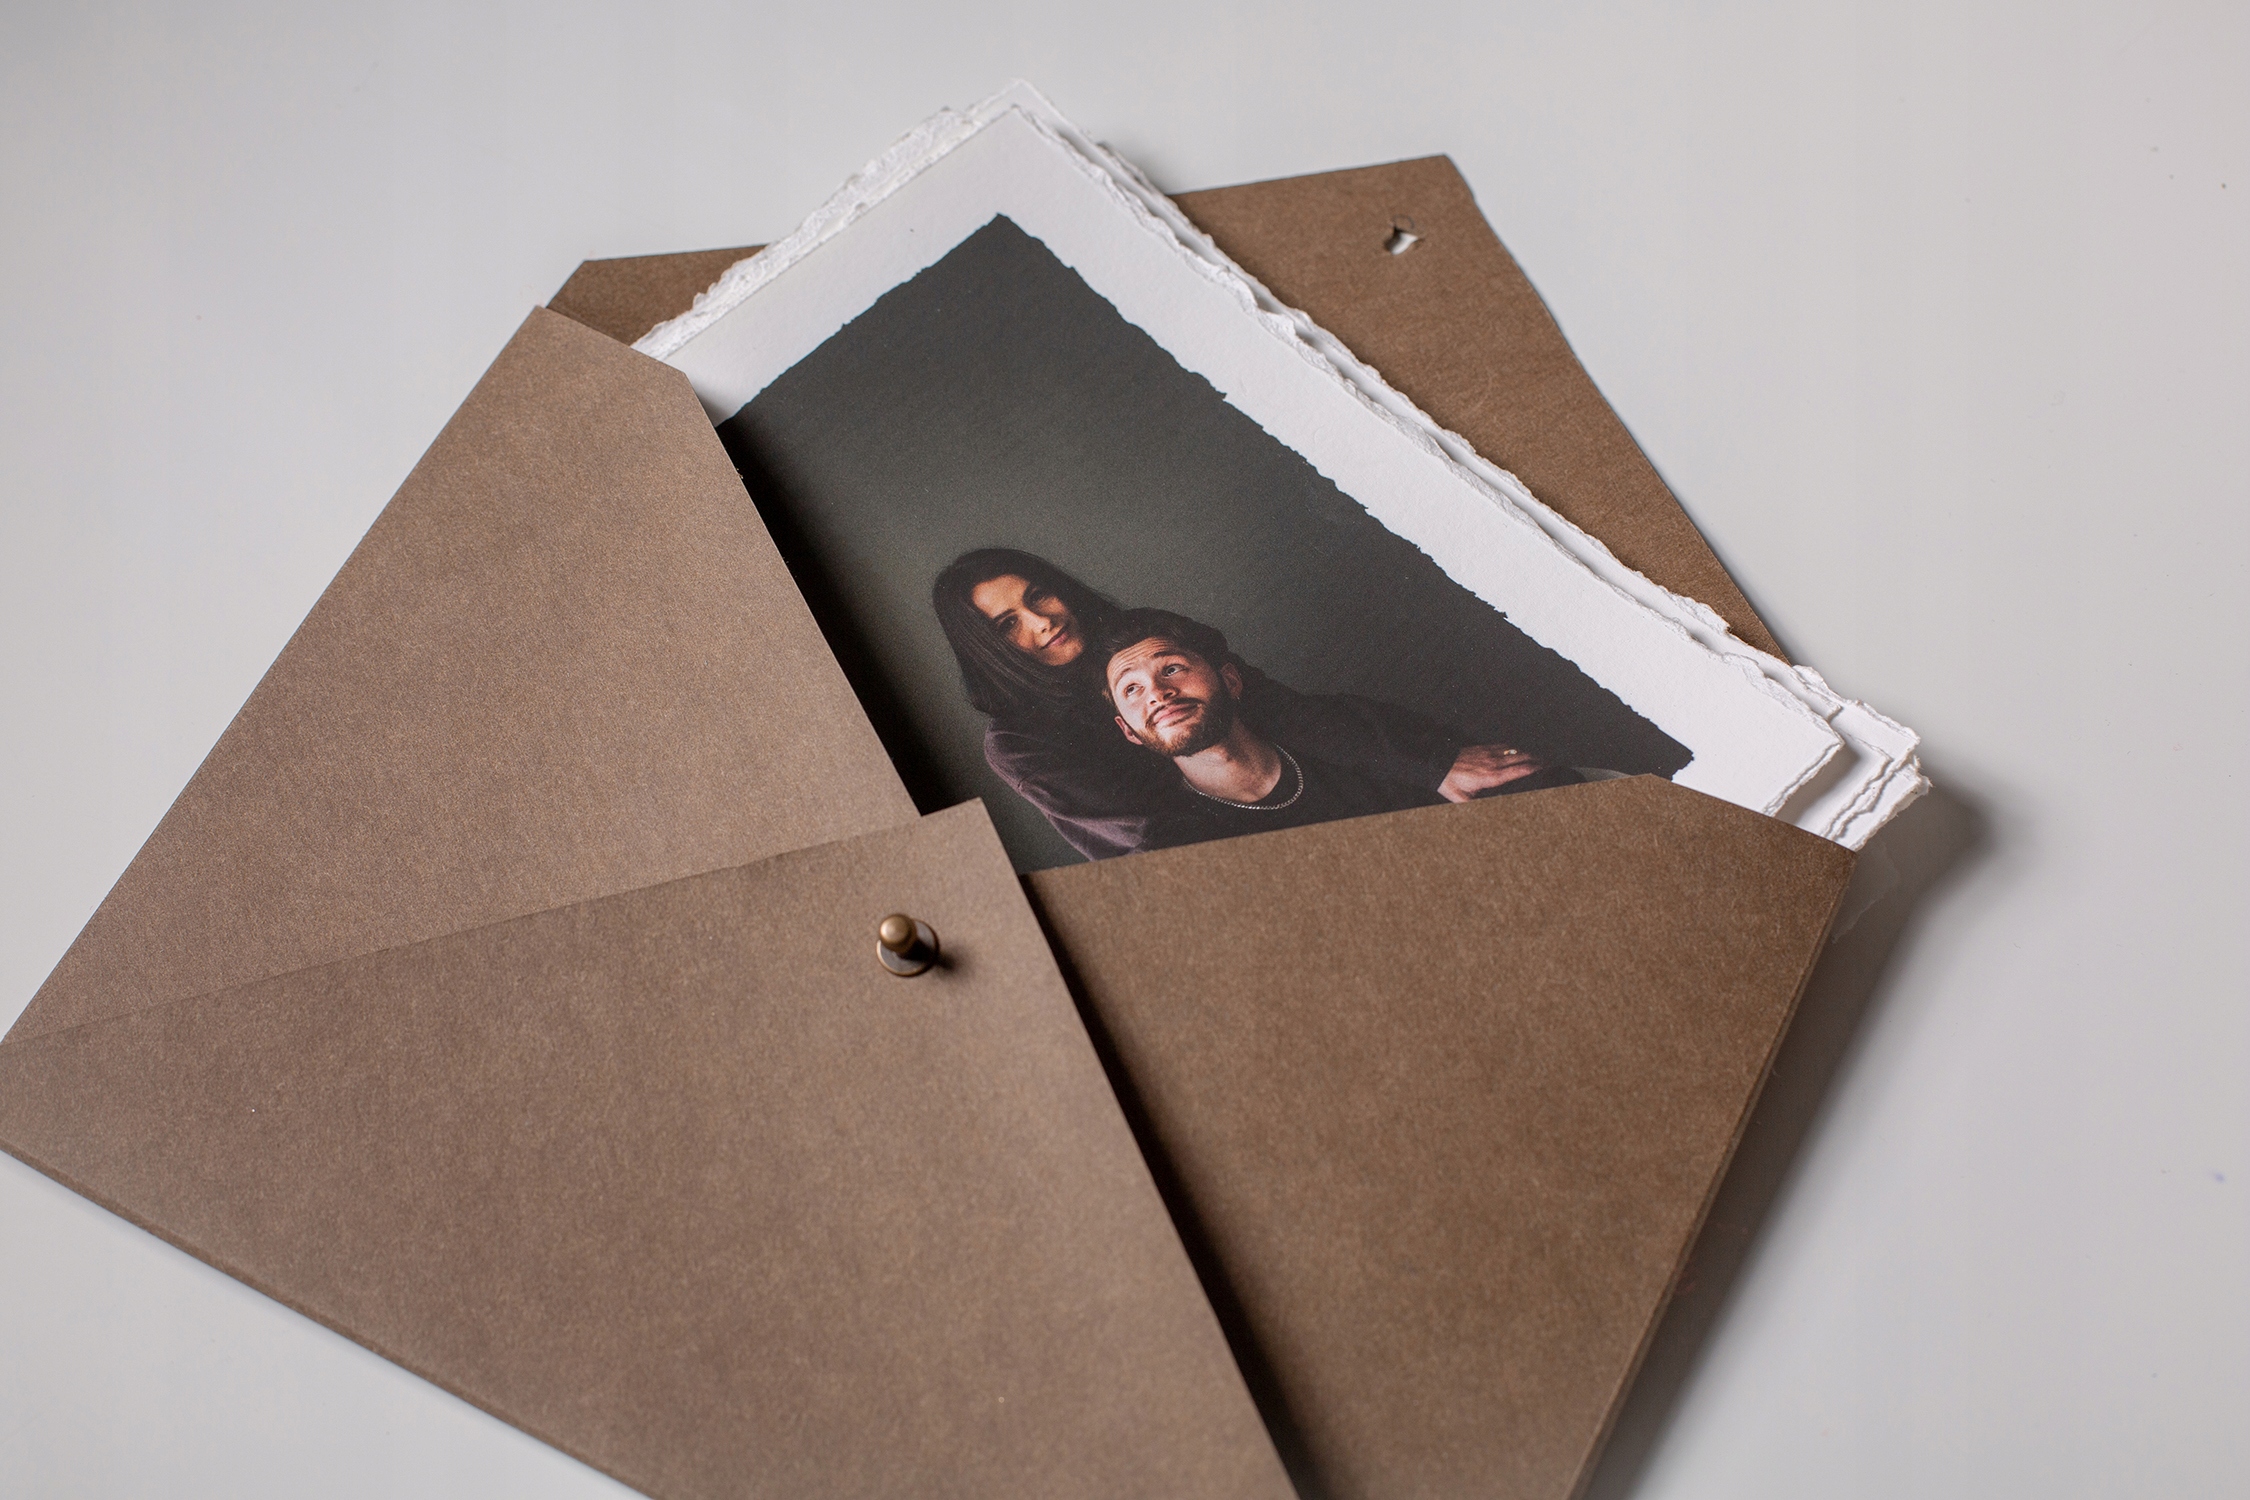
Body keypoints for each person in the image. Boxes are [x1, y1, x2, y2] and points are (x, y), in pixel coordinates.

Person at [930, 549, 1561, 860]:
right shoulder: (1021, 746)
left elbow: (1289, 713)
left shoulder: (1141, 636)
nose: (1041, 623)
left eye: (1039, 597)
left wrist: (1432, 765)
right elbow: (1144, 835)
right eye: (1008, 625)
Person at [1094, 608, 1582, 853]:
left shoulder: (1354, 736)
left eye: (1172, 668)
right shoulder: (1178, 843)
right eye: (1131, 689)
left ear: (1231, 680)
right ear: (1128, 731)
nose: (1157, 693)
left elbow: (1537, 790)